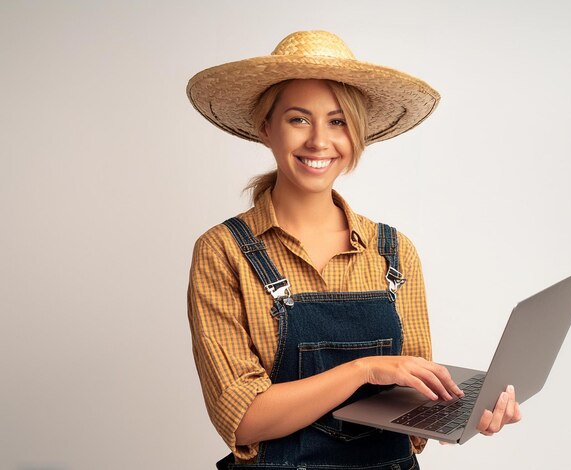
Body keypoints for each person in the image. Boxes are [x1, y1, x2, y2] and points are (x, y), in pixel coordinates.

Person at [186, 30, 521, 470]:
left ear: (357, 134)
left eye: (339, 121)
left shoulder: (394, 252)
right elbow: (244, 418)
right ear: (267, 127)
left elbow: (410, 397)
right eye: (299, 119)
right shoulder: (223, 252)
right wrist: (363, 369)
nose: (319, 141)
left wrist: (462, 414)